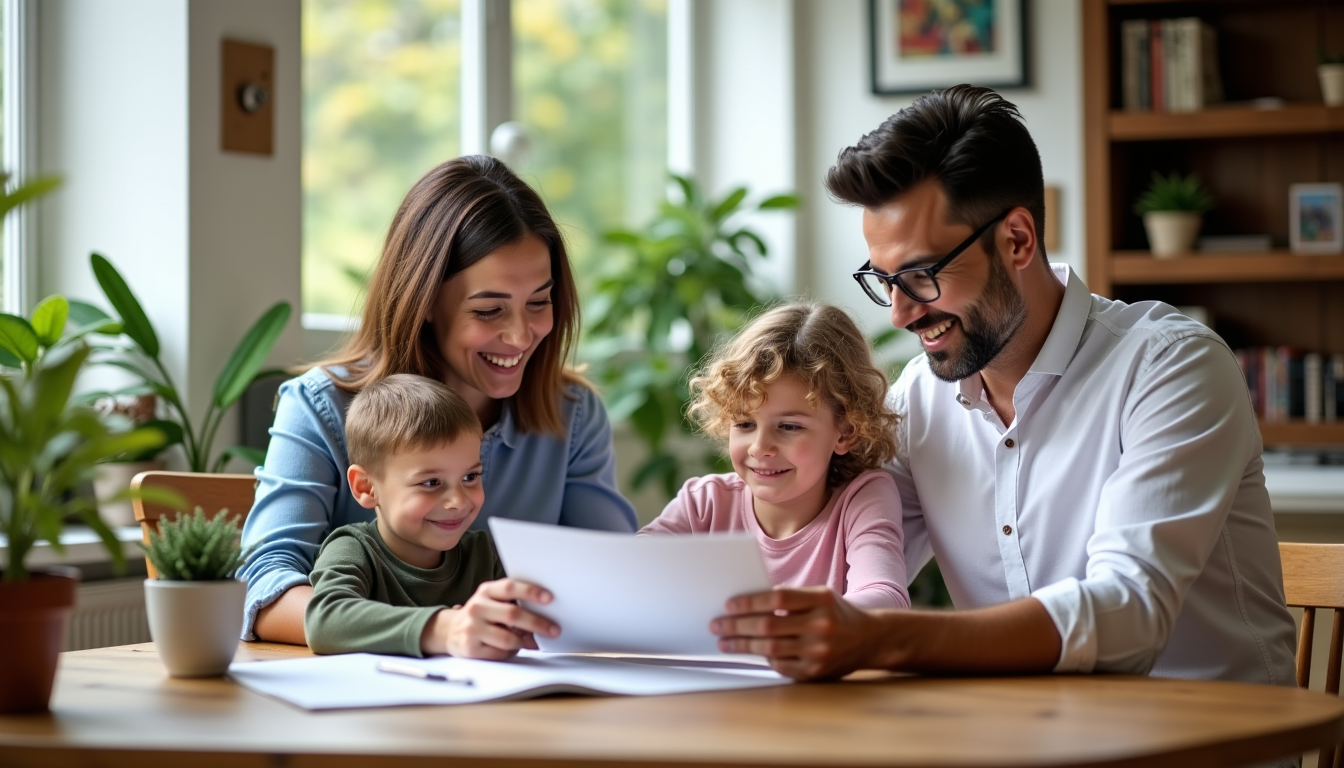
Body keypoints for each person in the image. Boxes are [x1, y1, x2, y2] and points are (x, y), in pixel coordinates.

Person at [711, 85, 1297, 686]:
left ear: (1017, 240)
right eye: (883, 280)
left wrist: (882, 637)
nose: (899, 313)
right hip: (1018, 736)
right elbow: (842, 552)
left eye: (920, 275)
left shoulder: (1171, 368)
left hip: (1203, 743)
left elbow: (1130, 614)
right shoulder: (918, 400)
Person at [240, 156, 637, 645]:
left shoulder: (572, 414)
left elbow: (614, 583)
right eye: (489, 309)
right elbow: (262, 590)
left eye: (539, 302)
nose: (519, 336)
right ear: (424, 301)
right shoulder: (320, 407)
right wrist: (434, 630)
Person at [641, 302, 908, 611]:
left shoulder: (862, 498)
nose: (759, 447)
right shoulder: (705, 503)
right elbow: (629, 569)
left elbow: (886, 597)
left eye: (789, 426)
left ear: (846, 432)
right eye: (744, 424)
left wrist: (787, 619)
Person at [306, 374, 559, 658]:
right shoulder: (353, 549)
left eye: (470, 476)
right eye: (431, 483)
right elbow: (324, 622)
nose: (458, 501)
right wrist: (444, 629)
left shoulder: (486, 556)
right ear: (366, 487)